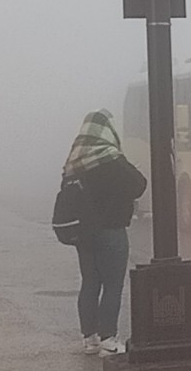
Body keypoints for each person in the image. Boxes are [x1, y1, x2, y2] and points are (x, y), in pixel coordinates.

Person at [63, 109, 147, 357]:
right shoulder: (110, 157)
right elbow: (139, 184)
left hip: (83, 233)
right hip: (111, 230)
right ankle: (108, 338)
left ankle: (89, 339)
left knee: (90, 282)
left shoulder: (74, 161)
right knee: (113, 284)